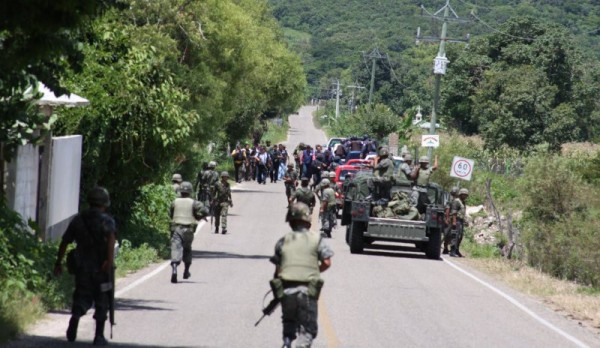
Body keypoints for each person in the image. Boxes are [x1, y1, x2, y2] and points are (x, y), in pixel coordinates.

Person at [53, 187, 116, 346]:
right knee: (102, 300)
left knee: (82, 295)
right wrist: (109, 261)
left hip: (82, 268)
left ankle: (75, 317)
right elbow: (111, 241)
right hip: (102, 268)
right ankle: (99, 336)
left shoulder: (78, 219)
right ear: (104, 203)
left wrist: (58, 262)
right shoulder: (107, 221)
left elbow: (65, 242)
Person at [270, 203, 334, 348]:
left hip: (287, 289)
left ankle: (287, 343)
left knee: (288, 321)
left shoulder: (283, 240)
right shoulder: (316, 239)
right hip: (307, 290)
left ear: (291, 221)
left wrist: (277, 293)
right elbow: (327, 262)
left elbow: (277, 270)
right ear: (307, 220)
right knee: (307, 331)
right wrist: (313, 270)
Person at [169, 182, 208, 283]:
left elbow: (171, 214)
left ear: (180, 191)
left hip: (176, 229)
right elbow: (205, 211)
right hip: (189, 230)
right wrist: (198, 216)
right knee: (187, 249)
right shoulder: (194, 202)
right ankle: (186, 271)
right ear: (190, 191)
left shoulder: (174, 202)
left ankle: (174, 268)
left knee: (175, 248)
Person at [450, 188, 469, 257]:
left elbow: (462, 213)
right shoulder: (457, 201)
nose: (464, 196)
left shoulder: (463, 202)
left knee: (460, 236)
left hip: (461, 221)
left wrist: (465, 221)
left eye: (466, 195)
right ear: (460, 194)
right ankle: (452, 251)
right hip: (457, 220)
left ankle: (457, 250)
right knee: (455, 236)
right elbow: (454, 212)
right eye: (463, 195)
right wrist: (454, 222)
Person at [443, 187, 459, 254]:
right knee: (447, 234)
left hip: (455, 218)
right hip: (450, 218)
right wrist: (447, 218)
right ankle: (445, 247)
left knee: (455, 234)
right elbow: (447, 210)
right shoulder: (450, 200)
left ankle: (453, 249)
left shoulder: (458, 200)